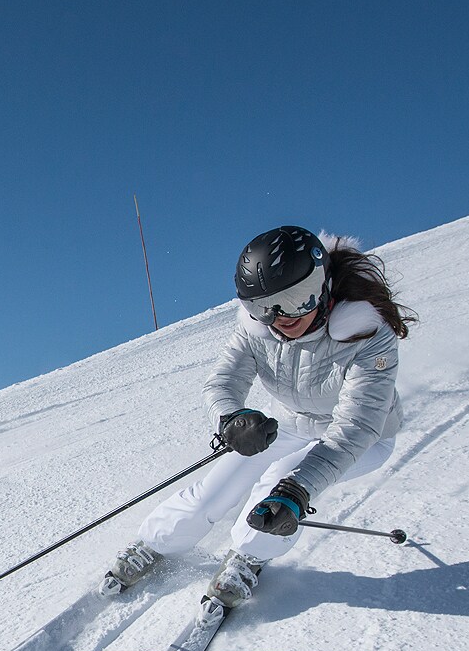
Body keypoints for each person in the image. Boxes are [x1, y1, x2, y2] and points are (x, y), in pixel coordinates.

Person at [102, 225, 415, 607]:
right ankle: (156, 542)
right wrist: (231, 418)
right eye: (262, 305)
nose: (280, 316)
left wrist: (299, 490)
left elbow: (357, 426)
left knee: (276, 485)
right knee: (216, 489)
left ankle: (250, 555)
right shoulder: (258, 332)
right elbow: (222, 382)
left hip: (365, 438)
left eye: (295, 298)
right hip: (295, 422)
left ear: (321, 285)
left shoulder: (366, 334)